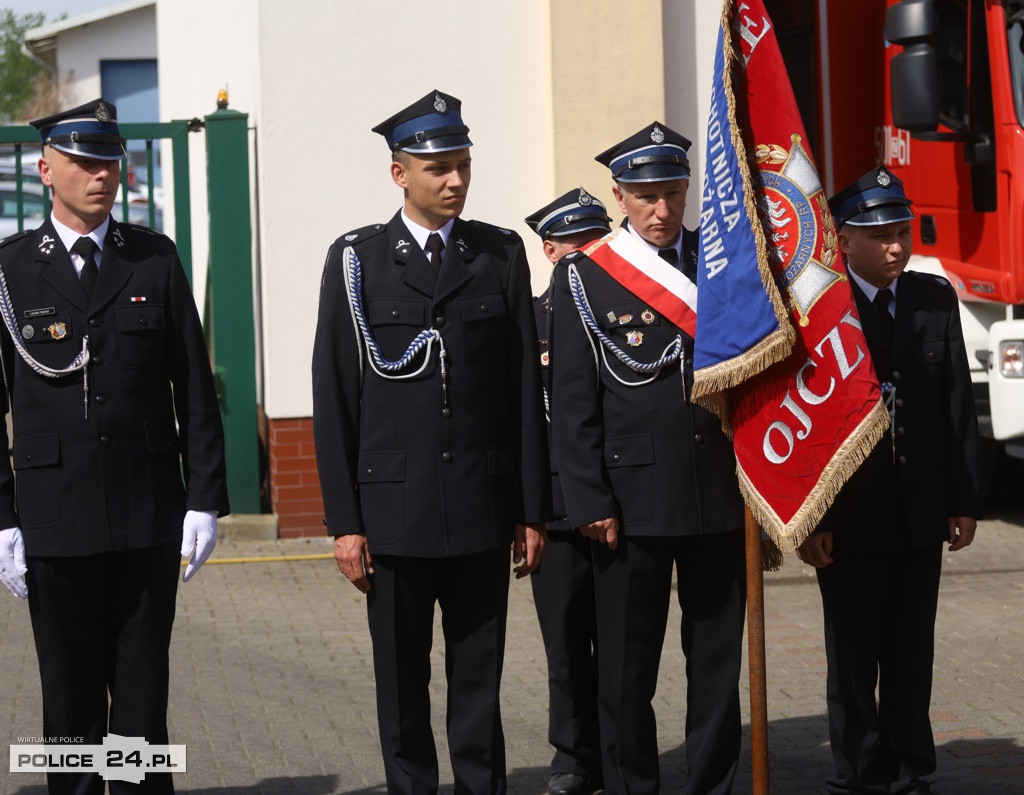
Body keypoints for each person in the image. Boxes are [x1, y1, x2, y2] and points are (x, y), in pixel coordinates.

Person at [312, 89, 550, 795]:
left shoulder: (498, 255)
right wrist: (345, 522)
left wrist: (531, 509)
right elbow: (334, 394)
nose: (455, 181)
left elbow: (518, 394)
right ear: (399, 174)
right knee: (402, 689)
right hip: (394, 519)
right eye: (439, 167)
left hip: (480, 510)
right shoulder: (358, 261)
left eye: (463, 166)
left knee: (479, 686)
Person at [0, 98, 229, 794]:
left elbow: (192, 380)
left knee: (140, 692)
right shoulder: (11, 269)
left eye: (109, 162)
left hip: (145, 510)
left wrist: (204, 498)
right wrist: (3, 515)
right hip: (54, 511)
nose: (101, 175)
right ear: (45, 169)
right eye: (83, 162)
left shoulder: (151, 258)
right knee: (68, 696)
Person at [548, 122, 747, 795]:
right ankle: (635, 783)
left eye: (673, 193)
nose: (663, 210)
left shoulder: (722, 265)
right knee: (628, 667)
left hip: (719, 493)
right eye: (647, 195)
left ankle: (712, 782)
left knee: (718, 662)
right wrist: (589, 501)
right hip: (629, 506)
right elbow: (573, 408)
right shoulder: (586, 277)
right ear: (619, 195)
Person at [797, 166, 982, 795]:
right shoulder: (821, 310)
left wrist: (963, 500)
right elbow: (806, 426)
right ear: (843, 241)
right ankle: (858, 768)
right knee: (852, 656)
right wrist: (811, 516)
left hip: (919, 509)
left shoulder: (933, 298)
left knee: (911, 650)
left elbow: (955, 406)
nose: (896, 246)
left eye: (902, 232)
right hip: (849, 518)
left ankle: (910, 763)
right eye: (879, 236)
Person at [524, 187, 611, 795]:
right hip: (555, 513)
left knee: (620, 645)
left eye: (598, 244)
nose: (587, 257)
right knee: (565, 646)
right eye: (575, 248)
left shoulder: (629, 309)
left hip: (619, 507)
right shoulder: (524, 322)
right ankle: (572, 757)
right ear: (551, 251)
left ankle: (620, 750)